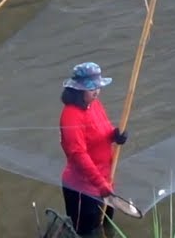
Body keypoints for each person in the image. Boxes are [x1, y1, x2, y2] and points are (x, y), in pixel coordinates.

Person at [59, 62, 128, 236]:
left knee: (107, 224)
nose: (96, 91)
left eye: (98, 87)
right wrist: (100, 185)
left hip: (105, 180)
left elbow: (102, 131)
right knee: (87, 232)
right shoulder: (71, 116)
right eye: (91, 88)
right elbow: (78, 155)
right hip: (83, 188)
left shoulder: (95, 104)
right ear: (78, 90)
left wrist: (115, 135)